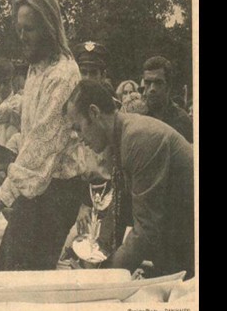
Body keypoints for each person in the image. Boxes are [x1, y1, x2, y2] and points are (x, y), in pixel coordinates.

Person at [0, 0, 86, 271]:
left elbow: (40, 145)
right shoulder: (37, 66)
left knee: (18, 279)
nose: (22, 37)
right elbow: (31, 111)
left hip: (56, 191)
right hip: (38, 186)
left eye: (29, 29)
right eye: (19, 29)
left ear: (49, 28)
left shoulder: (63, 75)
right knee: (9, 273)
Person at [64, 79, 195, 279]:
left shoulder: (138, 138)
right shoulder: (122, 136)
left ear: (94, 113)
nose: (78, 137)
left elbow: (146, 230)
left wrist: (105, 276)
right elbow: (118, 211)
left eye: (78, 127)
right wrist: (94, 256)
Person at [141, 56, 193, 143]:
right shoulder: (137, 118)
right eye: (148, 83)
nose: (152, 88)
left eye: (158, 83)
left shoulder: (182, 119)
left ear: (169, 86)